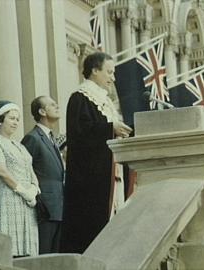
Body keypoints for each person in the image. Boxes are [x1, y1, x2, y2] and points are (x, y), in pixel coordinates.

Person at [60, 52, 132, 253]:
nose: (113, 77)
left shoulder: (105, 101)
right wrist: (110, 128)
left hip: (112, 173)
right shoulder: (80, 98)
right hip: (91, 181)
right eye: (109, 72)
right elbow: (80, 134)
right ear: (94, 70)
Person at [0, 100, 40, 257]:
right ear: (0, 120)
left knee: (28, 252)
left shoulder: (21, 146)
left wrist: (33, 190)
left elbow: (31, 171)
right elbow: (2, 171)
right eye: (12, 118)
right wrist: (23, 191)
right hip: (9, 199)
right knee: (9, 250)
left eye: (18, 119)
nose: (15, 122)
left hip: (27, 203)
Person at [21, 96, 64, 254]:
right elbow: (23, 171)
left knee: (54, 257)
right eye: (52, 104)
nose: (57, 106)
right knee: (43, 255)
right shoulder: (32, 138)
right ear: (42, 111)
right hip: (43, 208)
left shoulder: (51, 138)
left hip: (58, 207)